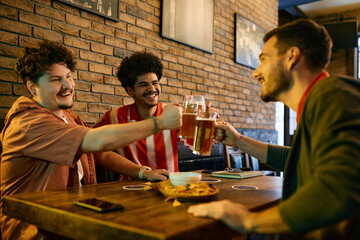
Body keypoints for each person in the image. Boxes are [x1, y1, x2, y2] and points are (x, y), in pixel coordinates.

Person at [188, 19, 360, 239]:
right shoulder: (319, 102)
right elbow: (296, 160)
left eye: (263, 60)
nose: (255, 72)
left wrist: (250, 221)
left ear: (291, 57)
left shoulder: (332, 95)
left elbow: (340, 189)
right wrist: (239, 140)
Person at [0, 40, 182, 239]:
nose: (66, 85)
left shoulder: (68, 117)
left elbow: (99, 154)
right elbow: (96, 141)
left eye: (68, 77)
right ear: (33, 88)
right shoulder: (29, 123)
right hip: (34, 229)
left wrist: (142, 173)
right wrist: (159, 123)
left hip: (68, 220)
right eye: (55, 79)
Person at [93, 52, 193, 181]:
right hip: (130, 191)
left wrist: (210, 119)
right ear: (130, 91)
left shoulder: (172, 113)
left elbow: (198, 143)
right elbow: (94, 150)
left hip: (171, 187)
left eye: (155, 83)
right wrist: (140, 172)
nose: (152, 89)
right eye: (143, 85)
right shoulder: (114, 117)